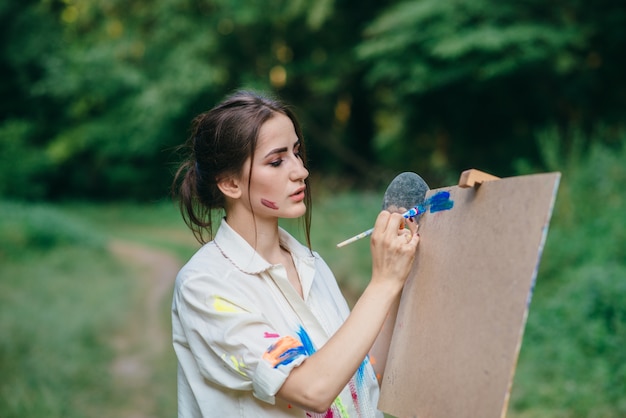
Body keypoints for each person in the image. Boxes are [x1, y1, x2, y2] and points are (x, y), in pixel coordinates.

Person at [171, 90, 420, 418]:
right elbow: (314, 390)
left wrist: (398, 280)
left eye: (297, 153)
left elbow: (361, 375)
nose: (300, 171)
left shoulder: (311, 265)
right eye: (277, 161)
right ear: (230, 184)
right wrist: (382, 283)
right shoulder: (205, 286)